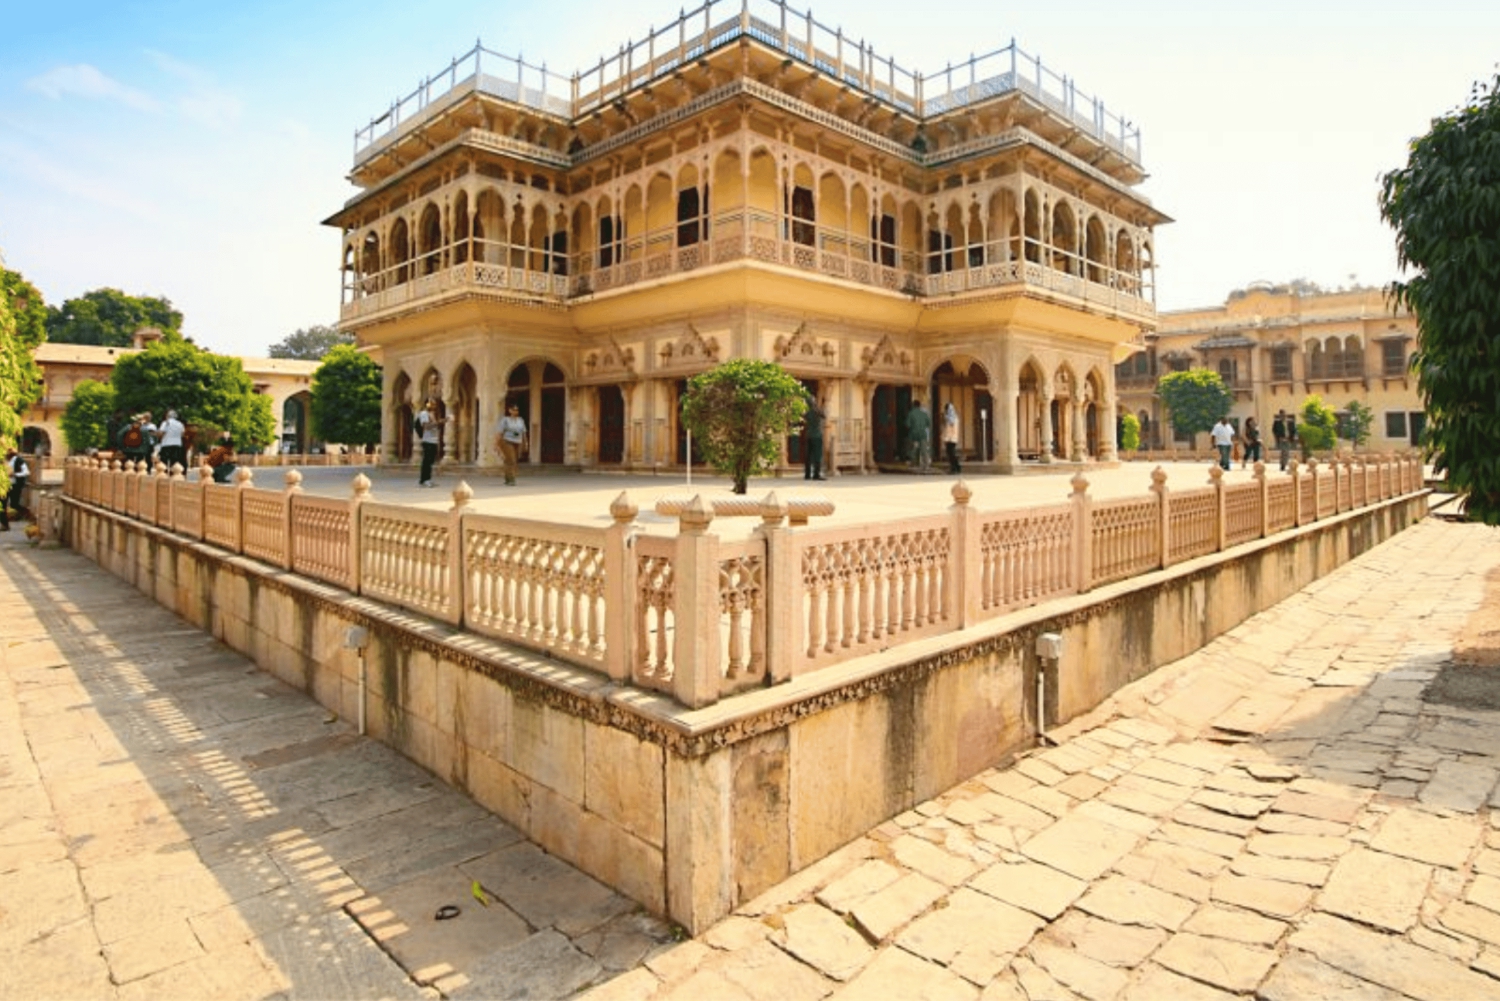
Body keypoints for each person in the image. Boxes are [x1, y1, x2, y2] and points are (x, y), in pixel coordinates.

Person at [494, 402, 528, 486]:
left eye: (517, 410)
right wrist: (496, 444)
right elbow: (499, 432)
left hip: (517, 441)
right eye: (513, 410)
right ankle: (512, 479)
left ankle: (507, 477)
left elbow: (523, 432)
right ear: (510, 410)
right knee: (511, 460)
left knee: (512, 460)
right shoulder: (505, 420)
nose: (515, 412)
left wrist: (526, 443)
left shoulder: (520, 420)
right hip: (507, 441)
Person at [415, 400, 447, 487]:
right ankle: (424, 480)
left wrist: (442, 421)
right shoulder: (424, 414)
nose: (434, 407)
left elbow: (433, 425)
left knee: (430, 461)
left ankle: (428, 479)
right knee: (427, 461)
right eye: (432, 405)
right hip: (427, 440)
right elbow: (426, 426)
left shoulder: (432, 415)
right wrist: (438, 422)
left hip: (433, 440)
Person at [802, 393, 825, 480]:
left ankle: (807, 474)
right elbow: (824, 416)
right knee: (817, 456)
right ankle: (816, 474)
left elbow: (803, 418)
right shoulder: (817, 411)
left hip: (809, 435)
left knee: (808, 455)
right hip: (817, 436)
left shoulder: (806, 413)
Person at [3, 449, 28, 527]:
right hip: (5, 486)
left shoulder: (19, 460)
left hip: (15, 485)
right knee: (3, 505)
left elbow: (26, 472)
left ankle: (24, 513)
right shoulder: (4, 461)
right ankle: (5, 524)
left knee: (14, 504)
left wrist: (15, 474)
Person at [905, 400, 932, 471]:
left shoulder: (911, 413)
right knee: (924, 450)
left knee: (914, 449)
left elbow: (907, 425)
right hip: (923, 434)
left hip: (913, 434)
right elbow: (928, 424)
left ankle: (914, 464)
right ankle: (926, 465)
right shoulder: (924, 413)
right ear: (920, 406)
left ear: (913, 405)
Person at [941, 402, 961, 474]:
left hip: (951, 438)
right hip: (950, 438)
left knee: (951, 454)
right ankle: (955, 468)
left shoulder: (952, 418)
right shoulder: (954, 417)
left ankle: (955, 468)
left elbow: (950, 427)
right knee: (951, 454)